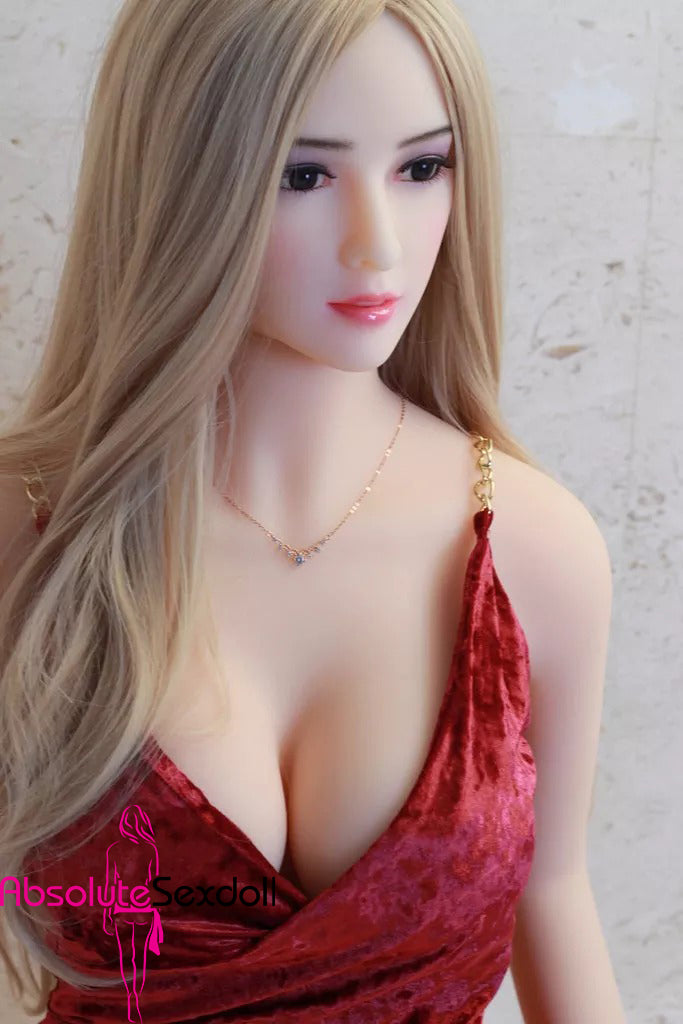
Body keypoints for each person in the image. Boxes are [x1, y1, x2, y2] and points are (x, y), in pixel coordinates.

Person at [0, 1, 626, 1021]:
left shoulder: (534, 549)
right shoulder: (25, 533)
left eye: (422, 166)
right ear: (177, 179)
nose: (377, 246)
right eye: (303, 176)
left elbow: (553, 897)